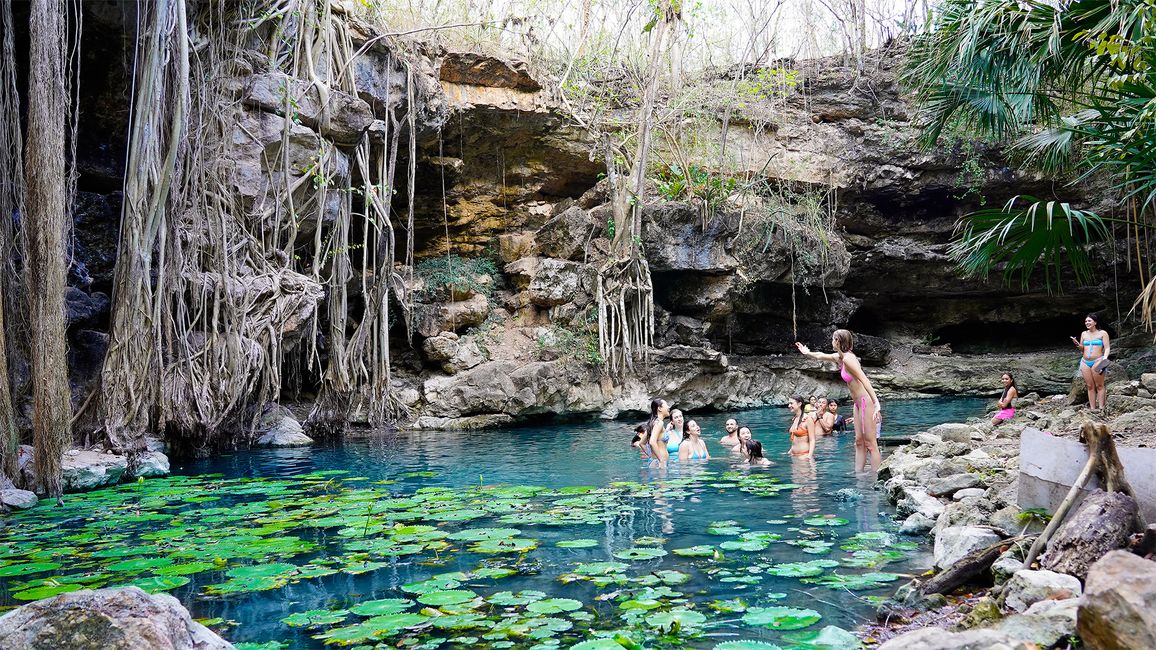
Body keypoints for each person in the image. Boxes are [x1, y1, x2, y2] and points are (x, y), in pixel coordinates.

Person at [796, 329, 883, 473]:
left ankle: (876, 477)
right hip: (857, 403)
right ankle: (859, 476)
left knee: (870, 443)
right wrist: (807, 352)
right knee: (859, 442)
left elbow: (864, 379)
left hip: (865, 401)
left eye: (833, 339)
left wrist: (876, 403)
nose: (831, 341)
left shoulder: (849, 359)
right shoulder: (841, 357)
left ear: (838, 341)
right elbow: (821, 356)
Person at [1071, 313, 1110, 411]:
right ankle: (1092, 409)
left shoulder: (1103, 333)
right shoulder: (1084, 334)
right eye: (1085, 321)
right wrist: (1077, 344)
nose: (1087, 323)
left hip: (1098, 360)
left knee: (1099, 385)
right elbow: (1082, 349)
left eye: (1089, 321)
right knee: (1090, 386)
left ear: (1095, 322)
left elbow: (1107, 347)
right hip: (1085, 361)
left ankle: (1101, 408)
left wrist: (1104, 359)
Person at [646, 398, 671, 466]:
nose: (669, 407)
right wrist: (661, 460)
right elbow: (652, 442)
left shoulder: (652, 423)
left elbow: (642, 443)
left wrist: (651, 456)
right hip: (659, 463)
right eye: (666, 405)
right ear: (659, 408)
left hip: (655, 461)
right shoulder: (659, 423)